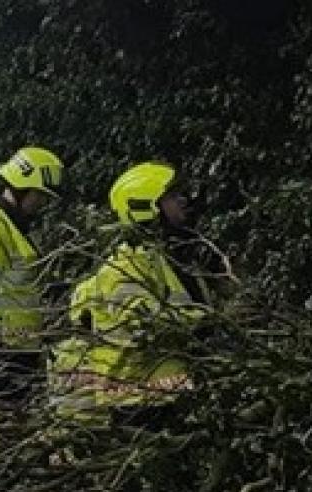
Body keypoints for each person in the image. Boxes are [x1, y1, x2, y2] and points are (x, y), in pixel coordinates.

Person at [49, 160, 216, 428]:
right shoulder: (129, 266)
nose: (182, 201)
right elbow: (143, 323)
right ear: (147, 207)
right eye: (171, 196)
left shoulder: (167, 258)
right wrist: (204, 320)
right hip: (140, 399)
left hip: (165, 393)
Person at [0, 146, 63, 448]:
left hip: (24, 346)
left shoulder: (13, 227)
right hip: (3, 349)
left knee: (20, 429)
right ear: (20, 188)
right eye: (38, 196)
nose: (41, 204)